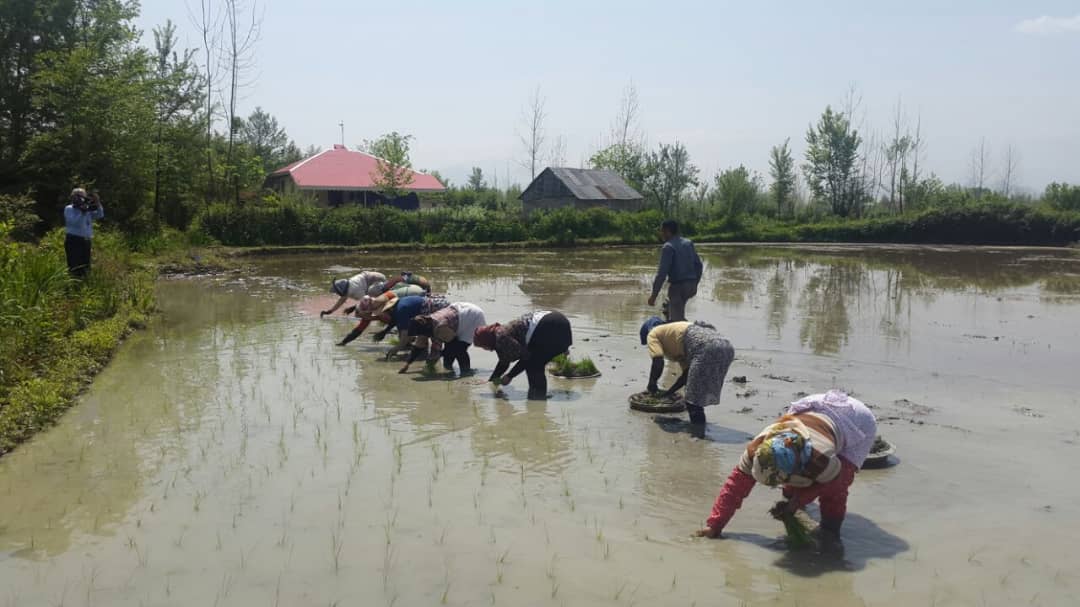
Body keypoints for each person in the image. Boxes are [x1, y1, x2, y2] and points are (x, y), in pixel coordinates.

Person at [696, 390, 877, 541]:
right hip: (816, 405)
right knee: (792, 488)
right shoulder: (756, 450)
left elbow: (834, 485)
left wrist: (798, 502)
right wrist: (714, 525)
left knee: (836, 490)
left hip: (857, 419)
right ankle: (792, 502)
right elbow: (734, 488)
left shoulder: (819, 460)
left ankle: (831, 531)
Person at [642, 317, 734, 425]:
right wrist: (670, 392)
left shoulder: (653, 333)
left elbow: (658, 360)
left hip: (706, 348)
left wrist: (652, 383)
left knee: (693, 401)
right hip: (726, 347)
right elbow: (687, 375)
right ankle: (699, 427)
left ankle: (698, 433)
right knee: (696, 395)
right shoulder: (675, 336)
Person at [473, 311, 573, 400]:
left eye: (482, 346)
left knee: (534, 366)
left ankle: (538, 402)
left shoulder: (502, 339)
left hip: (551, 328)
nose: (484, 349)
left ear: (486, 341)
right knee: (536, 361)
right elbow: (504, 362)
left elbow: (527, 358)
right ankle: (538, 397)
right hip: (555, 320)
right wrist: (492, 380)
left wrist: (510, 376)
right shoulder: (499, 333)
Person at [338, 293, 449, 352]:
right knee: (416, 335)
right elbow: (396, 321)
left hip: (431, 306)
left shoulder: (391, 303)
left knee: (431, 335)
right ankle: (420, 351)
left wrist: (396, 348)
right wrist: (344, 342)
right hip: (422, 304)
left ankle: (426, 353)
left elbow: (398, 322)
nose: (367, 318)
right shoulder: (391, 308)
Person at [400, 302, 486, 375]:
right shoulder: (426, 324)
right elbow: (418, 346)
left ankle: (466, 372)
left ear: (424, 330)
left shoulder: (440, 327)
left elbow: (453, 346)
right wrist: (407, 364)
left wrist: (434, 358)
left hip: (472, 317)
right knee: (448, 357)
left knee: (460, 349)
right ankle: (450, 371)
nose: (419, 336)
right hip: (460, 311)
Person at [647, 220, 703, 322]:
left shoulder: (668, 247)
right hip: (690, 286)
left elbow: (661, 274)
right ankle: (670, 311)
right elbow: (699, 265)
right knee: (675, 311)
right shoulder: (688, 243)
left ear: (667, 231)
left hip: (678, 288)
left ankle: (687, 334)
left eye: (662, 231)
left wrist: (653, 296)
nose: (661, 234)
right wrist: (695, 283)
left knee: (676, 322)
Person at [63, 188, 104, 278]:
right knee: (74, 265)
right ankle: (72, 286)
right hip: (73, 240)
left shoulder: (86, 208)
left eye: (82, 196)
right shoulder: (69, 209)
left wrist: (97, 202)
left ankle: (83, 285)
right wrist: (83, 213)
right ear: (73, 197)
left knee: (85, 265)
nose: (80, 198)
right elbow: (75, 223)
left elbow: (100, 215)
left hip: (85, 240)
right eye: (78, 195)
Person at [321, 271, 386, 317]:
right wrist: (330, 311)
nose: (337, 294)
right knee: (363, 307)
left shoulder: (355, 290)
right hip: (369, 277)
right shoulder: (348, 286)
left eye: (337, 292)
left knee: (362, 310)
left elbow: (366, 301)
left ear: (341, 290)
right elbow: (341, 301)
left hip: (378, 280)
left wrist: (353, 308)